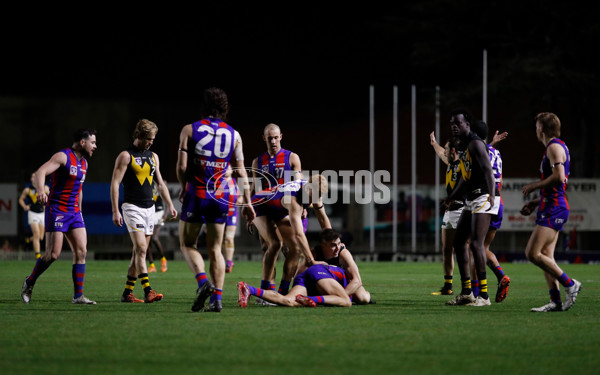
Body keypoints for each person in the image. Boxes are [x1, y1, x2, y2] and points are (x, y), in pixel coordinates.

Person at [176, 87, 255, 313]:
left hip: (198, 192)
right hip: (222, 197)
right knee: (216, 249)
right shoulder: (235, 134)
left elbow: (182, 166)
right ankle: (217, 300)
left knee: (188, 244)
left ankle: (203, 283)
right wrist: (248, 202)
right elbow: (241, 172)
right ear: (225, 109)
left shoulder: (189, 130)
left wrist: (183, 186)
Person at [20, 129, 98, 305]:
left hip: (74, 212)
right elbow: (41, 172)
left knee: (82, 251)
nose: (95, 146)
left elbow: (79, 189)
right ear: (83, 142)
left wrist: (80, 212)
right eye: (93, 142)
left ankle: (78, 296)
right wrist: (41, 191)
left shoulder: (84, 163)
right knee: (52, 254)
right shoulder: (63, 156)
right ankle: (29, 282)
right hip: (57, 210)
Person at [111, 119, 177, 303]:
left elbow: (160, 183)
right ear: (138, 135)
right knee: (141, 249)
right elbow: (115, 184)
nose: (151, 142)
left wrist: (170, 205)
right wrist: (115, 210)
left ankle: (127, 293)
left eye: (153, 139)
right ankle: (149, 291)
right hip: (132, 207)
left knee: (137, 253)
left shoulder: (154, 156)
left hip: (149, 208)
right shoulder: (125, 156)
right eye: (149, 138)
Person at [521, 112, 581, 312]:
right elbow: (558, 184)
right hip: (550, 204)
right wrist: (537, 202)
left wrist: (534, 186)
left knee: (532, 253)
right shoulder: (555, 147)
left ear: (542, 129)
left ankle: (570, 283)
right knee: (546, 255)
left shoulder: (554, 147)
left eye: (537, 126)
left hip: (555, 208)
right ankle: (555, 301)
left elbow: (559, 177)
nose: (535, 130)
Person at [443, 108, 497, 307]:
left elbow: (488, 171)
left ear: (467, 124)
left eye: (457, 123)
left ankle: (483, 295)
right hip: (471, 199)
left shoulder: (475, 143)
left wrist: (491, 194)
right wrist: (450, 197)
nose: (454, 126)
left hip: (483, 196)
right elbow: (465, 180)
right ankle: (467, 292)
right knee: (458, 242)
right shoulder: (465, 146)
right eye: (451, 123)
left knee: (476, 244)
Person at [251, 123, 304, 296]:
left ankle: (283, 289)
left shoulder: (291, 158)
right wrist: (249, 216)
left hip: (285, 210)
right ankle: (267, 291)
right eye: (269, 138)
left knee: (294, 249)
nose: (273, 141)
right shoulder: (258, 162)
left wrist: (302, 206)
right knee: (270, 247)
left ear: (281, 136)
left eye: (275, 137)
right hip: (265, 210)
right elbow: (255, 191)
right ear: (264, 138)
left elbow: (298, 184)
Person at [470, 120, 511, 303]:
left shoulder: (476, 149)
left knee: (474, 247)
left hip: (485, 198)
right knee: (483, 247)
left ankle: (475, 292)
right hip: (498, 200)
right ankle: (501, 275)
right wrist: (492, 143)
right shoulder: (496, 152)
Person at [429, 133, 463, 296]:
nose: (445, 152)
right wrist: (434, 143)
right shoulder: (450, 163)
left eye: (447, 149)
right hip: (450, 210)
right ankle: (448, 286)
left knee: (464, 248)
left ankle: (470, 287)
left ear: (454, 150)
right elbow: (441, 154)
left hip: (461, 209)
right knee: (446, 248)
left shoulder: (463, 164)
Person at [237, 263, 351, 308]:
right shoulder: (348, 279)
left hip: (306, 277)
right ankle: (310, 299)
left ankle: (249, 289)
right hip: (319, 273)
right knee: (346, 301)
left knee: (289, 301)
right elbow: (363, 297)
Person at [312, 228, 373, 304]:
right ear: (323, 245)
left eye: (339, 243)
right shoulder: (315, 253)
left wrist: (340, 297)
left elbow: (357, 280)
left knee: (363, 298)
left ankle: (364, 294)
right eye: (333, 245)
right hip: (327, 283)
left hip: (345, 283)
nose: (337, 248)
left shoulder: (343, 253)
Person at [18, 173, 49, 259]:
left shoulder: (45, 188)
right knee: (36, 234)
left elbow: (50, 198)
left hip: (42, 214)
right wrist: (25, 206)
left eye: (35, 176)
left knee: (41, 237)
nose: (34, 177)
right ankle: (37, 255)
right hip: (32, 214)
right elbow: (20, 199)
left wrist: (46, 205)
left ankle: (29, 240)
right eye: (32, 176)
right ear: (31, 179)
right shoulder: (27, 190)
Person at [147, 181, 168, 273]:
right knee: (148, 240)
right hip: (149, 213)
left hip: (159, 213)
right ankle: (152, 265)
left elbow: (167, 202)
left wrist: (165, 215)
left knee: (154, 238)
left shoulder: (161, 185)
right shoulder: (149, 184)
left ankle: (163, 260)